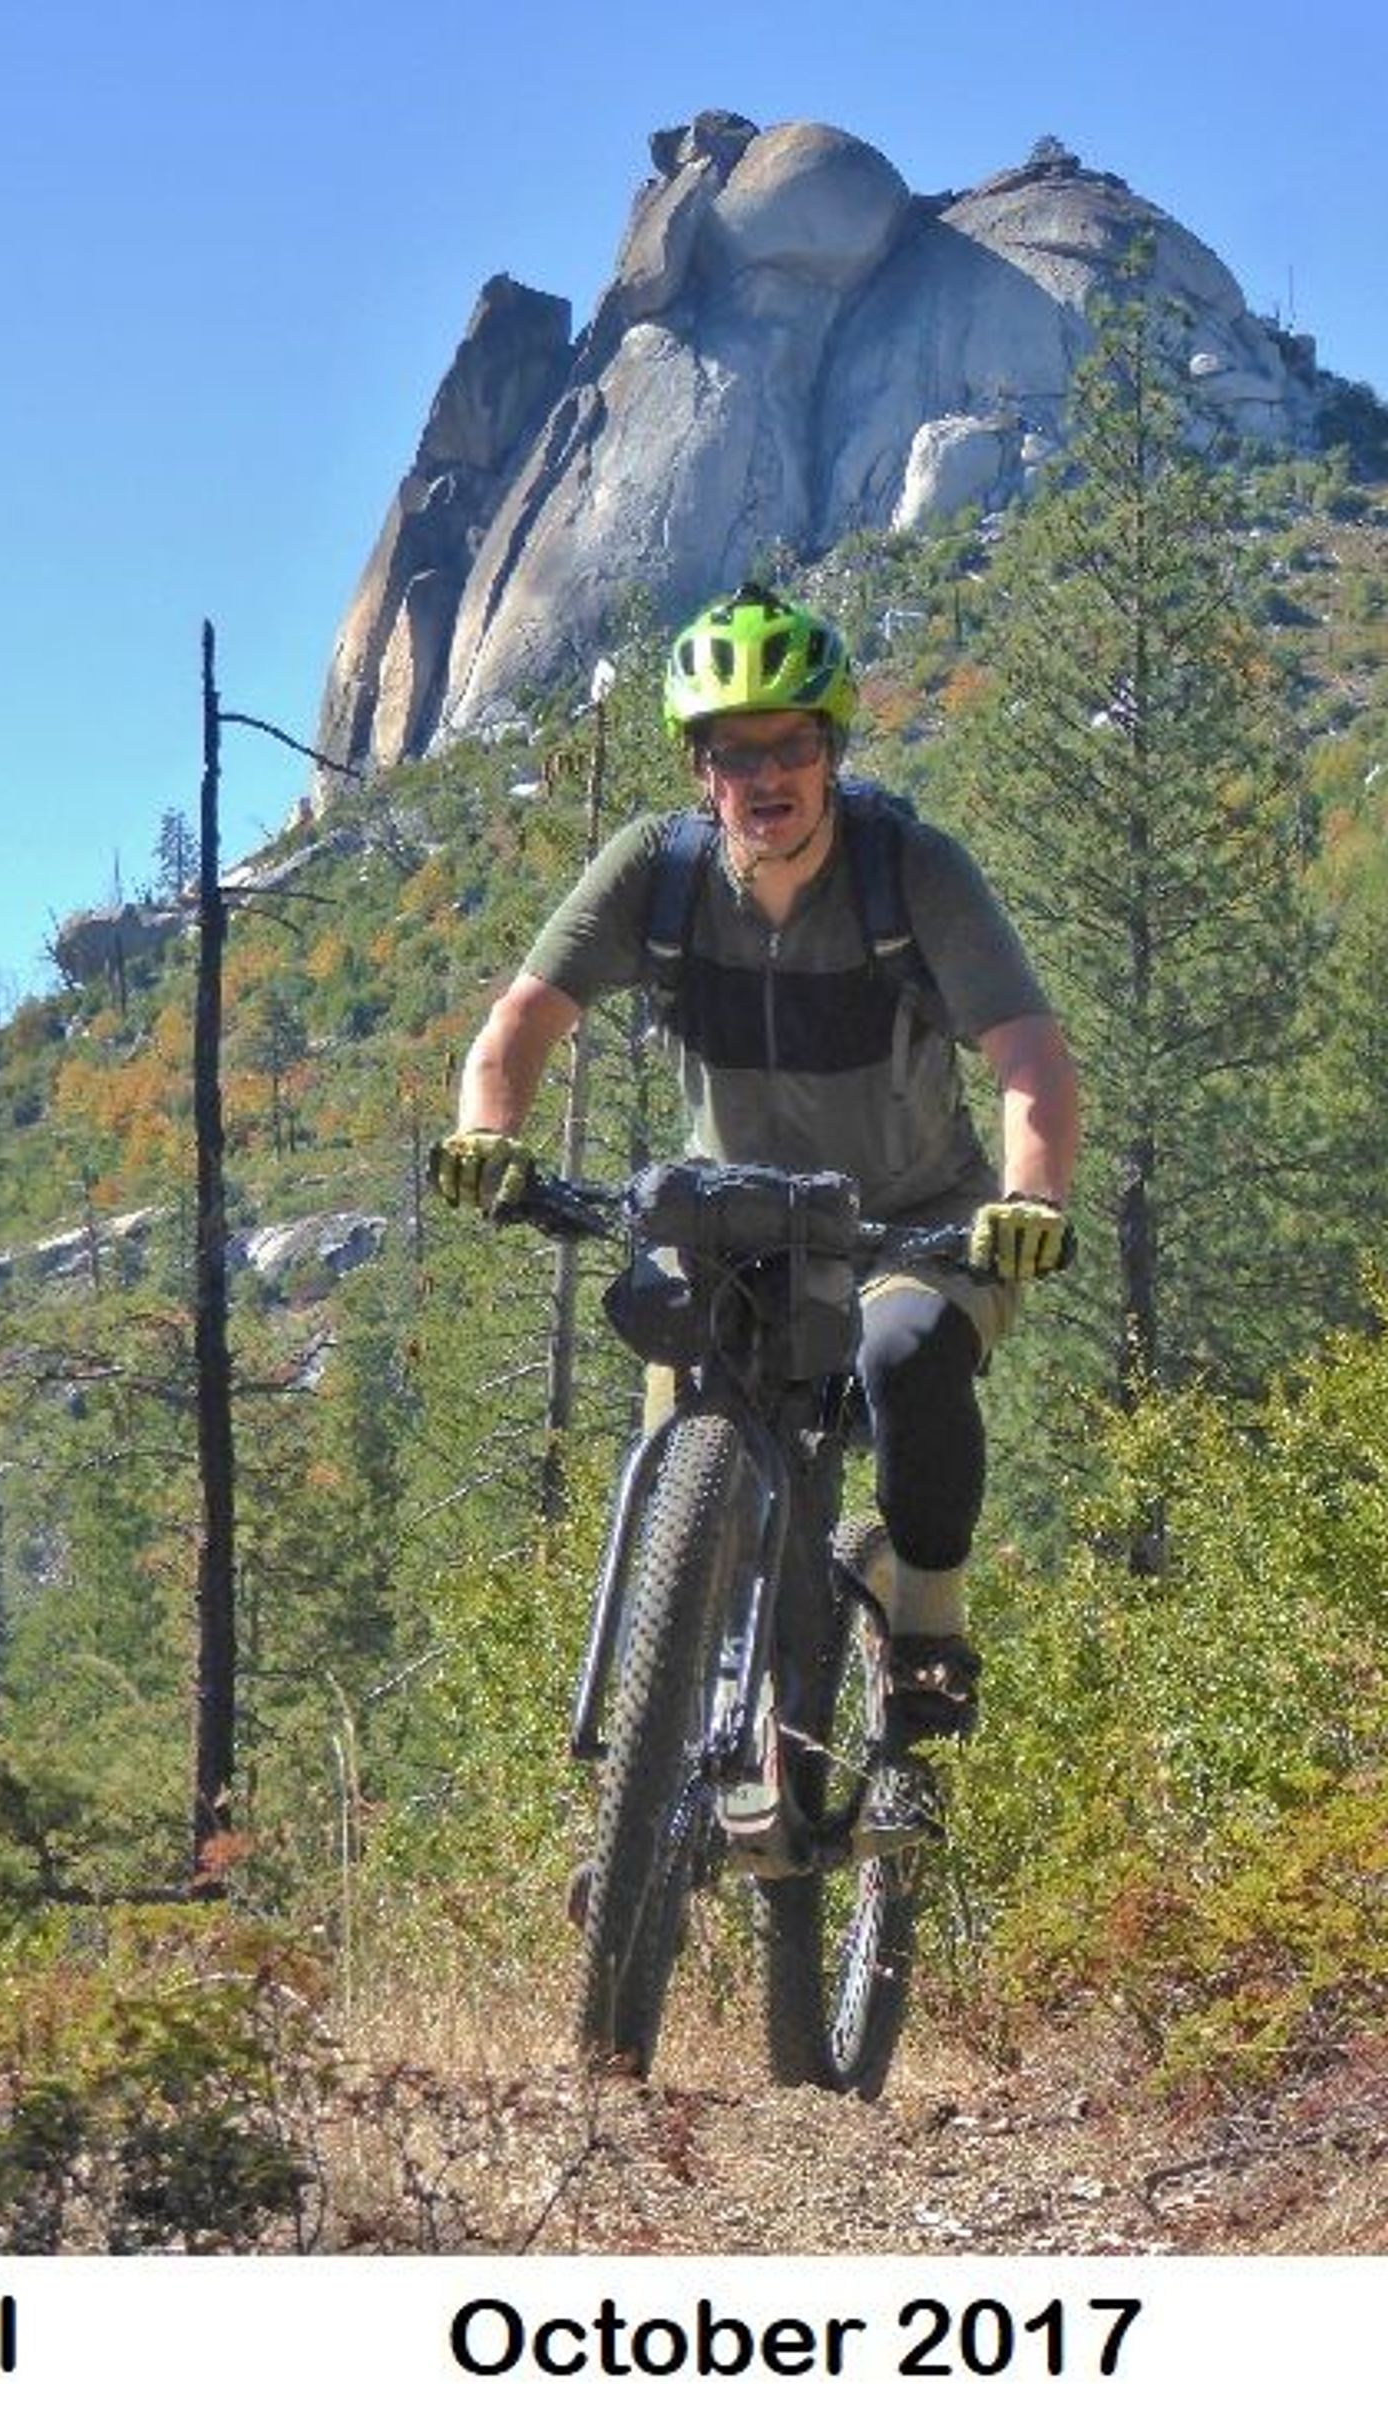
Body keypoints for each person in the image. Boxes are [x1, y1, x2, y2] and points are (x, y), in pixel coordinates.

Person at [431, 580, 1082, 1783]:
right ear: (702, 767)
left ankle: (927, 1628)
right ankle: (643, 1794)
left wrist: (1030, 1201)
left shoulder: (912, 873)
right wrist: (488, 1132)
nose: (767, 775)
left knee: (903, 1359)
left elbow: (1027, 1053)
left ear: (831, 751)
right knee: (682, 1422)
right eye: (739, 753)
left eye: (793, 745)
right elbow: (521, 1022)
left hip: (912, 1226)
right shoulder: (658, 874)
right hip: (730, 1222)